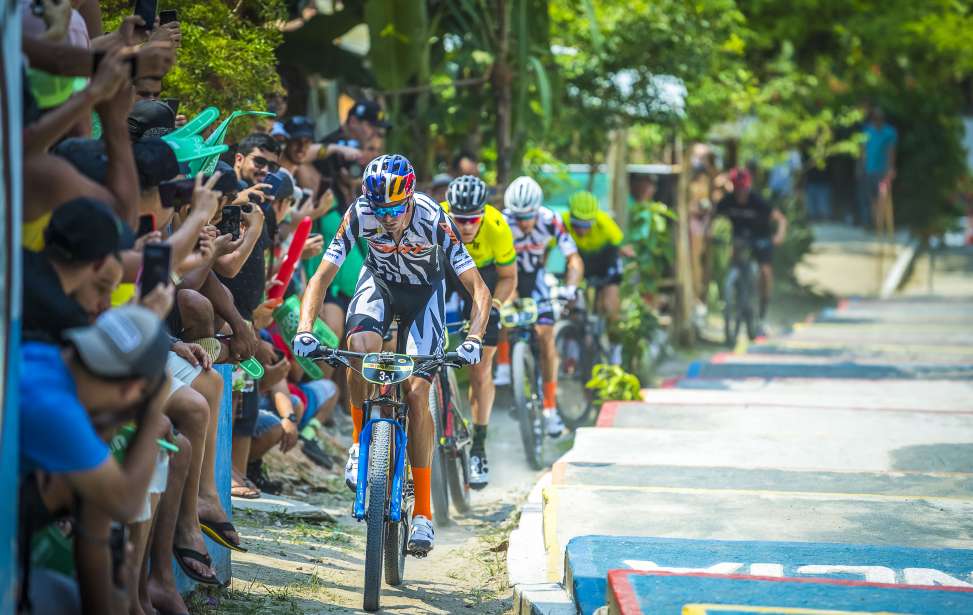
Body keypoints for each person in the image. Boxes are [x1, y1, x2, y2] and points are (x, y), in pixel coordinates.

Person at [293, 154, 491, 555]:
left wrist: (472, 338)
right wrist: (304, 327)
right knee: (358, 351)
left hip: (424, 297)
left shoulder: (435, 220)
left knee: (418, 393)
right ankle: (356, 443)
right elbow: (320, 277)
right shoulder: (359, 213)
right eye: (380, 210)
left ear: (411, 198)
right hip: (379, 286)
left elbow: (480, 290)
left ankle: (423, 514)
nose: (387, 218)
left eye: (395, 209)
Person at [442, 175, 517, 488]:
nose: (468, 225)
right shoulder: (438, 219)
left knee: (480, 368)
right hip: (446, 271)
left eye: (474, 219)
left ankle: (480, 446)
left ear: (484, 213)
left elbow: (509, 276)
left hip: (484, 279)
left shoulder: (498, 227)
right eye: (461, 219)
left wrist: (496, 304)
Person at [500, 176, 583, 436]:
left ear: (538, 210)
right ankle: (504, 366)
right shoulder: (502, 222)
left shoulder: (550, 220)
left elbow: (574, 259)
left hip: (536, 277)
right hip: (508, 277)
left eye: (528, 216)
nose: (523, 222)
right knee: (499, 305)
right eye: (518, 216)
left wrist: (569, 289)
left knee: (546, 335)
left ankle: (550, 410)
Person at [707, 168, 788, 333]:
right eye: (737, 190)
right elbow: (712, 214)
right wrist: (709, 231)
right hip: (740, 239)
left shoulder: (757, 201)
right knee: (736, 263)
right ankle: (734, 298)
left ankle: (763, 310)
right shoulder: (728, 201)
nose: (740, 194)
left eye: (743, 190)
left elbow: (781, 220)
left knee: (765, 271)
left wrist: (779, 235)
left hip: (761, 239)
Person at [562, 191, 635, 363]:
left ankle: (615, 345)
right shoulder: (562, 222)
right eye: (577, 224)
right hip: (581, 260)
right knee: (570, 299)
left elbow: (621, 247)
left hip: (606, 261)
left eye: (586, 225)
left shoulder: (605, 223)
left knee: (609, 305)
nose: (581, 229)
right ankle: (572, 349)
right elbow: (547, 248)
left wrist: (629, 254)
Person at [858, 107, 897, 228]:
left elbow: (891, 151)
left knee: (883, 198)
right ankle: (874, 224)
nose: (877, 121)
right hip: (869, 171)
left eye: (879, 118)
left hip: (883, 172)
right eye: (875, 119)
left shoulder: (890, 132)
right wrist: (861, 167)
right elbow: (863, 152)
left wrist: (891, 168)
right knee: (871, 199)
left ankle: (883, 224)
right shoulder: (867, 131)